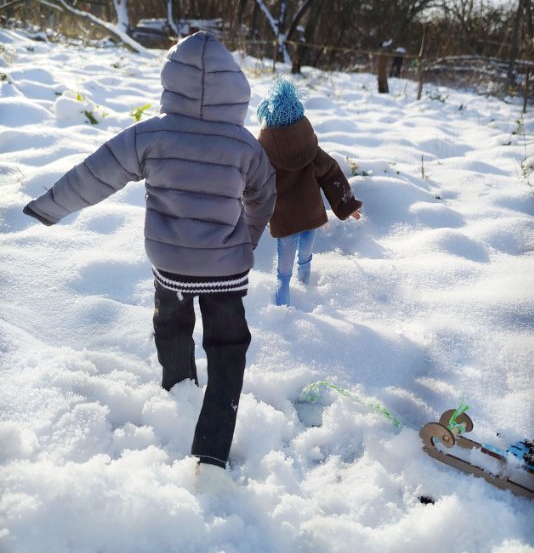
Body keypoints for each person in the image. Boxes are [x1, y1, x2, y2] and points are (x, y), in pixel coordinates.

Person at [23, 31, 276, 477]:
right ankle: (212, 452)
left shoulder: (151, 135)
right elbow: (264, 195)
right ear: (234, 88)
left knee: (172, 327)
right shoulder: (244, 146)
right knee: (228, 347)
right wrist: (248, 238)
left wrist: (49, 207)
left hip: (171, 265)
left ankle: (178, 396)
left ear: (172, 81)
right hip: (226, 269)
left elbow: (96, 173)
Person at [256, 78, 362, 306]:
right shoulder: (310, 147)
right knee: (305, 254)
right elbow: (331, 172)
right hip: (310, 214)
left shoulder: (263, 153)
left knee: (284, 264)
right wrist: (347, 204)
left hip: (284, 219)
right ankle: (305, 282)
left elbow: (253, 182)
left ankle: (283, 297)